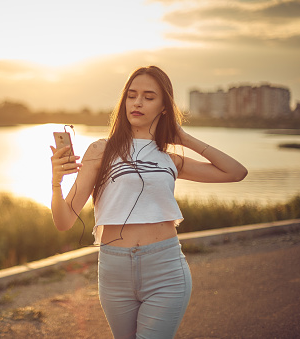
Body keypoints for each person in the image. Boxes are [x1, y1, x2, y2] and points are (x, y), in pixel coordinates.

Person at [50, 65, 248, 339]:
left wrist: (184, 138)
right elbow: (63, 222)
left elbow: (236, 172)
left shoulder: (170, 159)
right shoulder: (100, 151)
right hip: (114, 270)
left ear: (164, 107)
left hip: (165, 268)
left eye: (149, 96)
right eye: (131, 96)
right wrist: (56, 182)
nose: (138, 102)